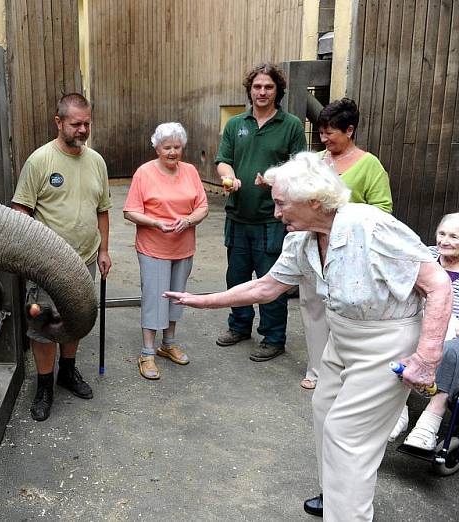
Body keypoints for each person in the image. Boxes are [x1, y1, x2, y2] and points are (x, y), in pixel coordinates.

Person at [164, 152, 451, 521]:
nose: (277, 212)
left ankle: (348, 514)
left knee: (348, 437)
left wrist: (426, 359)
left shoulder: (370, 226)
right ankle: (336, 497)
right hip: (343, 337)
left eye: (282, 203)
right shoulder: (302, 240)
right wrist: (202, 302)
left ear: (314, 201)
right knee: (324, 412)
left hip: (386, 343)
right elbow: (267, 287)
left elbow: (438, 284)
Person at [12, 93, 112, 422]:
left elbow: (103, 211)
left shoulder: (96, 161)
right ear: (58, 122)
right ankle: (44, 386)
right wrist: (32, 257)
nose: (83, 130)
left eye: (87, 124)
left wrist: (104, 250)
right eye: (76, 124)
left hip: (84, 262)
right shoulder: (40, 161)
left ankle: (67, 373)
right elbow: (20, 212)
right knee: (42, 326)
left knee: (76, 321)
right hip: (46, 266)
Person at [298, 98, 394, 390]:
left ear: (349, 130)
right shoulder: (315, 161)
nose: (324, 139)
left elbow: (384, 209)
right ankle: (316, 370)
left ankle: (344, 372)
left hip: (351, 250)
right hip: (314, 244)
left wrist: (346, 214)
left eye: (330, 133)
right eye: (321, 133)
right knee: (312, 306)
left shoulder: (369, 164)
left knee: (345, 310)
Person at [215, 63, 307, 362]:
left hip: (272, 219)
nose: (262, 92)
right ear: (250, 90)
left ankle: (274, 336)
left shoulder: (291, 124)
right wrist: (228, 177)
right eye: (257, 87)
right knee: (237, 277)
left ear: (278, 90)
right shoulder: (235, 124)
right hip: (238, 216)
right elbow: (223, 160)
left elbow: (301, 169)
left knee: (271, 279)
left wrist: (273, 179)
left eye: (268, 87)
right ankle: (239, 325)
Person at [123, 122, 209, 380]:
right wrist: (155, 222)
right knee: (154, 298)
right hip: (153, 246)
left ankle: (168, 344)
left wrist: (190, 220)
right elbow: (130, 211)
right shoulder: (144, 173)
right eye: (166, 147)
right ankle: (147, 352)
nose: (172, 152)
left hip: (183, 246)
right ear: (157, 147)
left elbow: (202, 207)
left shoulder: (191, 171)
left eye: (177, 147)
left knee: (176, 297)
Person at [395, 213, 459, 450]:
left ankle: (429, 423)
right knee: (397, 337)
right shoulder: (426, 256)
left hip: (455, 331)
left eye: (454, 236)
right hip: (419, 318)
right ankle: (396, 412)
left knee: (451, 352)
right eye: (442, 234)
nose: (445, 241)